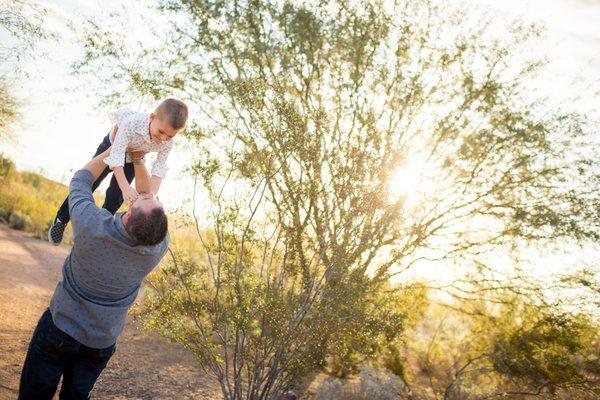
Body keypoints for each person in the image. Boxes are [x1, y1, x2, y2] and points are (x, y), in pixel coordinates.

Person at [19, 148, 169, 399]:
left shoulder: (92, 224)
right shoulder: (156, 249)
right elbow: (148, 202)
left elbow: (81, 180)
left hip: (60, 329)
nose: (150, 195)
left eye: (146, 198)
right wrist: (140, 160)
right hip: (99, 344)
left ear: (129, 211)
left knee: (34, 395)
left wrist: (114, 149)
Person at [47, 98, 188, 245]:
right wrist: (126, 188)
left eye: (170, 136)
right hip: (113, 146)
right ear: (152, 118)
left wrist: (151, 197)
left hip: (131, 156)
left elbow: (159, 170)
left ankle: (98, 233)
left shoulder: (168, 143)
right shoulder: (132, 123)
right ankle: (61, 219)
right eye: (161, 132)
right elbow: (116, 156)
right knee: (90, 183)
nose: (163, 138)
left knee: (116, 197)